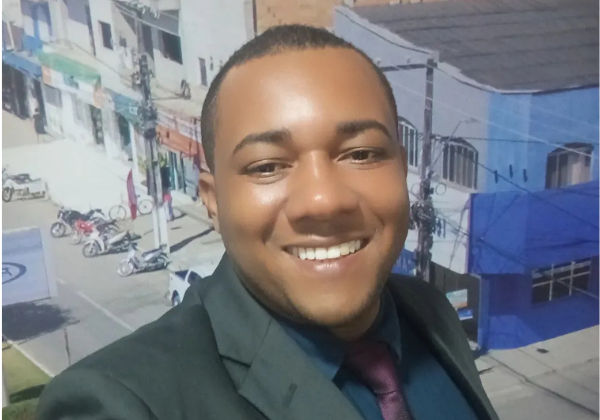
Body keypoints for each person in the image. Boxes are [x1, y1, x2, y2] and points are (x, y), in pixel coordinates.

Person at [37, 25, 499, 420]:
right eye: (267, 166)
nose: (323, 201)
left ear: (402, 171)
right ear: (213, 201)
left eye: (361, 153)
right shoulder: (119, 403)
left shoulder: (429, 312)